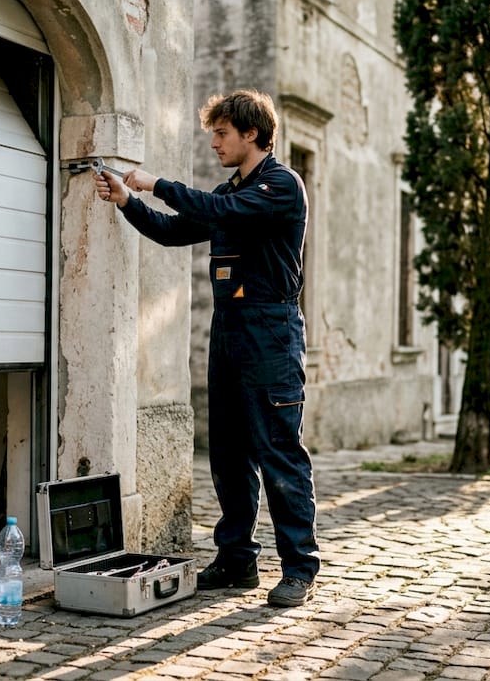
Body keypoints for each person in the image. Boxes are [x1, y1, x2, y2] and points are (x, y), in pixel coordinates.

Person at [93, 89, 320, 607]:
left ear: (253, 135)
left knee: (279, 453)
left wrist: (157, 183)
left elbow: (220, 209)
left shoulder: (281, 187)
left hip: (271, 333)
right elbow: (174, 231)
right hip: (230, 332)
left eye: (221, 133)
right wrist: (129, 200)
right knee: (228, 454)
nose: (214, 142)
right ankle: (237, 560)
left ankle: (300, 569)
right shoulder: (229, 192)